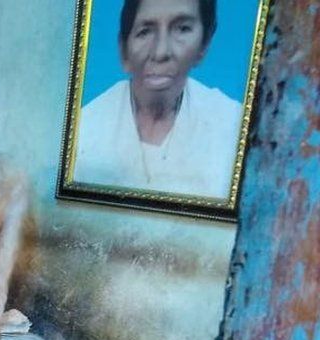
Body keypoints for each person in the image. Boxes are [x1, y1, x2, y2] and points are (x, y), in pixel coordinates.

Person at [73, 0, 243, 198]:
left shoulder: (233, 128)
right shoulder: (84, 129)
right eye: (145, 31)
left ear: (204, 43)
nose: (161, 52)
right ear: (123, 51)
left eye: (182, 29)